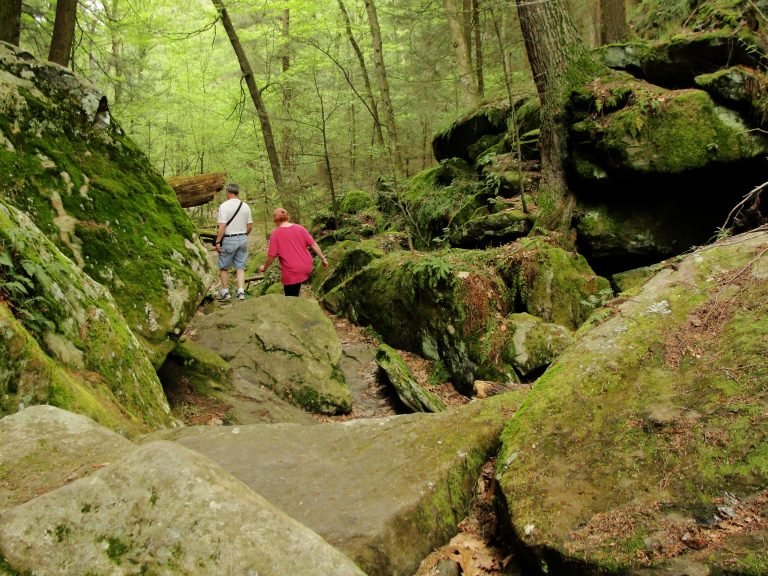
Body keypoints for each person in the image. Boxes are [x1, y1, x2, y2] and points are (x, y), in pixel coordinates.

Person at [259, 208, 329, 296]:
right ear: (287, 217)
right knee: (296, 286)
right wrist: (323, 259)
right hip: (306, 266)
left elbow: (271, 256)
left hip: (292, 270)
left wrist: (264, 267)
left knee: (291, 298)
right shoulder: (300, 228)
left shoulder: (275, 234)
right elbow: (314, 245)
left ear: (276, 221)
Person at [214, 183, 253, 300]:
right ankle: (241, 291)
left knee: (224, 266)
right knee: (240, 266)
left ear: (228, 192)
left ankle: (225, 292)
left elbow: (222, 226)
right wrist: (244, 235)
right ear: (237, 193)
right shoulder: (245, 206)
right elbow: (250, 226)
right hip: (243, 238)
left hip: (229, 239)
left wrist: (217, 241)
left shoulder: (224, 206)